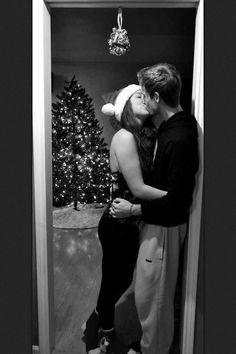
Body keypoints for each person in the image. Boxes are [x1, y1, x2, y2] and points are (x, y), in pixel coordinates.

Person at [110, 63, 199, 354]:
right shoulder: (167, 129)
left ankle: (153, 349)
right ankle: (148, 345)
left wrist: (133, 211)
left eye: (145, 94)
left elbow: (177, 201)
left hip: (164, 229)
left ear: (158, 97)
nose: (143, 98)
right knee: (147, 295)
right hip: (157, 225)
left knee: (155, 299)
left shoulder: (178, 137)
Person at [83, 84, 168, 354]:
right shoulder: (124, 136)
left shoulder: (140, 136)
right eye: (138, 96)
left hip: (128, 222)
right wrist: (176, 196)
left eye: (145, 95)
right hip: (117, 223)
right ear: (125, 107)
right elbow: (139, 189)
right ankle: (102, 338)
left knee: (118, 281)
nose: (144, 98)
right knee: (114, 282)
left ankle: (91, 324)